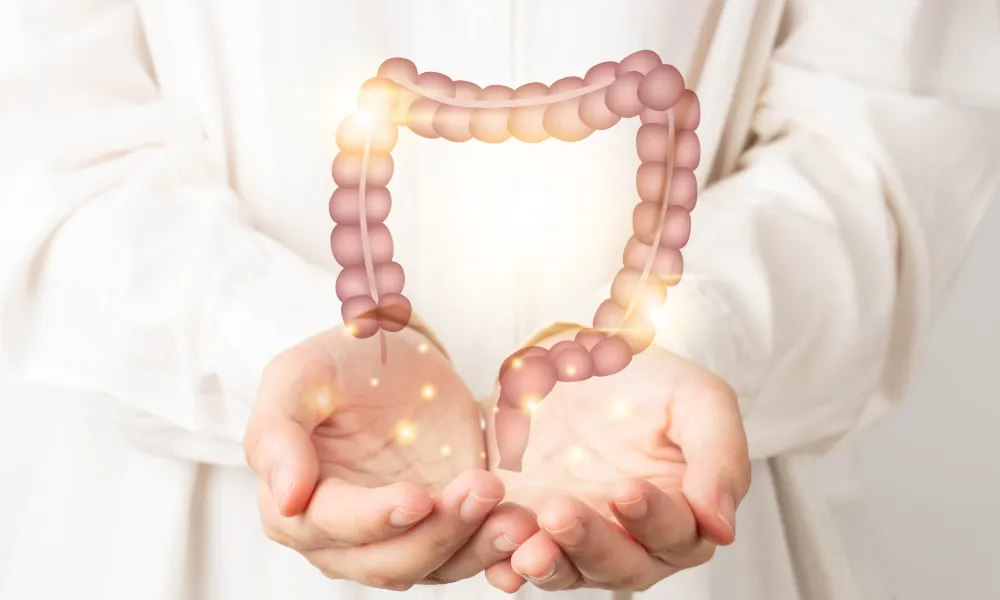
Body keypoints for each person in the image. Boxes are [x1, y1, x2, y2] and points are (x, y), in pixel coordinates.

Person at [0, 0, 998, 599]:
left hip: (700, 525)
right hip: (175, 547)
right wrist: (263, 340)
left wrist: (690, 339)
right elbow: (36, 133)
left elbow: (891, 132)